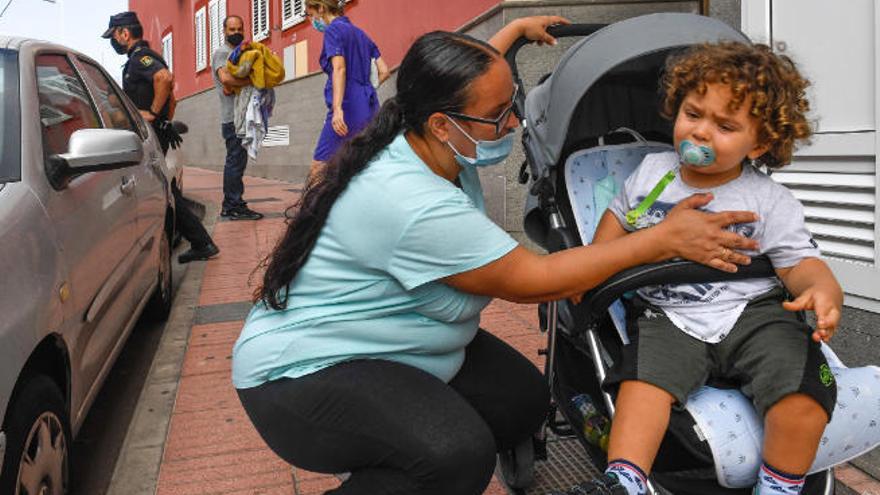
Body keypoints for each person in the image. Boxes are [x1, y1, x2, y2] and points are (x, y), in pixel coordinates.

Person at [232, 17, 763, 495]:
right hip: (304, 375)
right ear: (443, 123)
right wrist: (663, 239)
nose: (513, 123)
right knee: (457, 457)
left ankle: (406, 429)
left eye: (513, 105)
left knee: (523, 403)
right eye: (500, 113)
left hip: (402, 340)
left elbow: (467, 77)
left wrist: (511, 34)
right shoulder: (409, 201)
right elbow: (535, 278)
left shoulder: (429, 131)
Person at [556, 42, 841, 495]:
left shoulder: (767, 199)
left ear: (761, 142)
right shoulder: (653, 174)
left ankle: (781, 483)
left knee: (801, 391)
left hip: (753, 314)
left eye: (725, 125)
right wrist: (591, 268)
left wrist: (821, 288)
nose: (701, 133)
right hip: (668, 315)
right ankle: (626, 478)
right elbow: (620, 217)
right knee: (641, 386)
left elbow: (799, 261)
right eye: (692, 114)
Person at [102, 11, 220, 264]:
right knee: (165, 189)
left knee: (163, 190)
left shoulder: (140, 58)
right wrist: (163, 117)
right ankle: (201, 242)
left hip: (151, 134)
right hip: (156, 132)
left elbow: (164, 79)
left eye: (113, 35)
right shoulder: (141, 58)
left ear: (124, 33)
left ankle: (202, 242)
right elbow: (173, 98)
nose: (113, 41)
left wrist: (153, 115)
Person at [306, 0, 389, 178]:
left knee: (318, 168)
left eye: (311, 15)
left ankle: (316, 207)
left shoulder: (333, 30)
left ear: (321, 8)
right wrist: (365, 89)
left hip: (347, 106)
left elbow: (339, 68)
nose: (312, 20)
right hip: (370, 105)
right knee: (361, 167)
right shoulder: (362, 34)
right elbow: (384, 71)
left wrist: (337, 109)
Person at [212, 14, 263, 221]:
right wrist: (253, 79)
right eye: (232, 29)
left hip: (242, 116)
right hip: (232, 118)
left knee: (237, 162)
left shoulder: (242, 52)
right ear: (224, 31)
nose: (236, 33)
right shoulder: (222, 53)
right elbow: (225, 78)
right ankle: (233, 205)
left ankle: (232, 203)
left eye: (239, 29)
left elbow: (232, 83)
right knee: (234, 162)